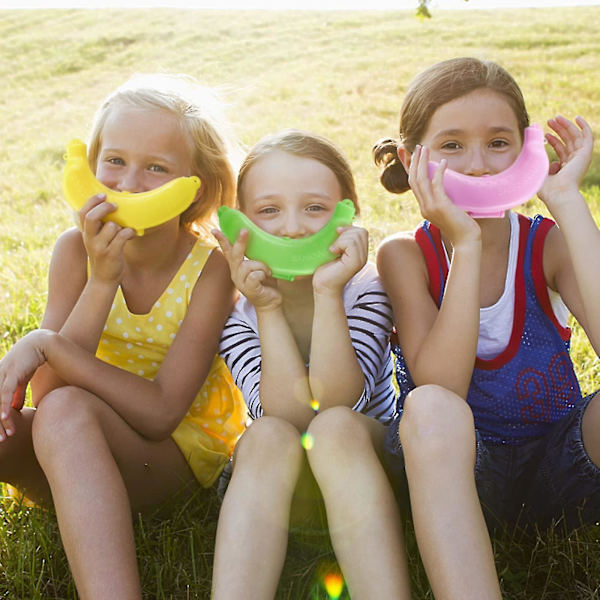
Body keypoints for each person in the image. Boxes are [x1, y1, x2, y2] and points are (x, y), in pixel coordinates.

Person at [0, 73, 247, 600]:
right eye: (114, 160)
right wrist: (101, 280)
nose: (129, 184)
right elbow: (46, 392)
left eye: (156, 167)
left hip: (170, 458)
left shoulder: (212, 270)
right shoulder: (74, 252)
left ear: (197, 186)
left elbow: (161, 414)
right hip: (75, 439)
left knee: (67, 412)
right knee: (56, 412)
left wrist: (47, 344)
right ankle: (81, 498)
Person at [374, 56, 598, 599]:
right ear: (411, 159)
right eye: (451, 145)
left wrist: (566, 200)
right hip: (456, 478)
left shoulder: (546, 245)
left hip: (557, 467)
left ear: (526, 150)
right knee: (429, 405)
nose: (478, 166)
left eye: (498, 143)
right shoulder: (405, 256)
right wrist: (466, 246)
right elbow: (442, 385)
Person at [211, 129, 411, 599]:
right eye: (269, 210)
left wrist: (327, 293)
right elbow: (290, 416)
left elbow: (336, 403)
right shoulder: (236, 313)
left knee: (334, 428)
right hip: (277, 491)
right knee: (266, 434)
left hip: (367, 476)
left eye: (315, 208)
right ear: (242, 223)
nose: (293, 227)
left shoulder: (366, 290)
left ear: (347, 217)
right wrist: (267, 307)